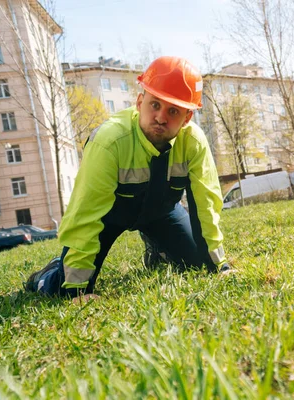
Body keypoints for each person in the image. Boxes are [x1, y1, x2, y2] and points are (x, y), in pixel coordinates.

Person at [25, 56, 230, 299]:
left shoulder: (194, 142)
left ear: (187, 118)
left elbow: (206, 205)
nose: (161, 117)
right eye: (155, 105)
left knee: (198, 264)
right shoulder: (109, 142)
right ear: (140, 101)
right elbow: (86, 213)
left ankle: (157, 248)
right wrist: (75, 290)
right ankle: (49, 273)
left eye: (173, 110)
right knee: (61, 289)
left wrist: (219, 266)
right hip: (109, 216)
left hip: (161, 212)